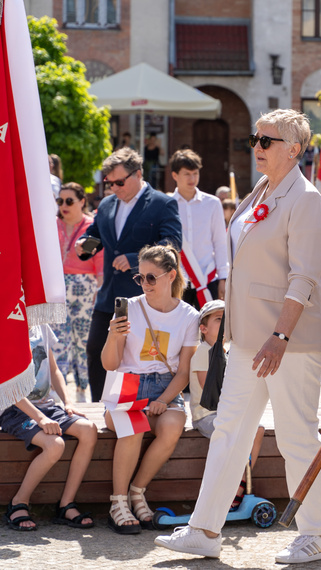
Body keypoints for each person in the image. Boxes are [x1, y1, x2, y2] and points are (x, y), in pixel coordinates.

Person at [155, 109, 321, 564]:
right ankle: (205, 528)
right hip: (249, 338)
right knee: (229, 430)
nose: (257, 145)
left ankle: (318, 534)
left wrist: (280, 334)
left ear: (294, 149)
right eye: (255, 137)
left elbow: (305, 277)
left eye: (267, 140)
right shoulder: (262, 189)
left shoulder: (306, 198)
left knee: (297, 436)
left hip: (286, 339)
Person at [101, 244, 198, 534]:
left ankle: (137, 491)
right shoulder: (129, 307)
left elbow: (184, 373)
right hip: (127, 383)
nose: (144, 284)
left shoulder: (189, 316)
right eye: (140, 278)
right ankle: (117, 502)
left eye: (151, 278)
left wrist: (164, 400)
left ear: (171, 276)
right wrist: (112, 336)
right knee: (134, 425)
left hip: (165, 388)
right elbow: (110, 364)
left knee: (172, 426)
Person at [76, 148, 182, 402]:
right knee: (96, 351)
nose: (114, 188)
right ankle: (100, 408)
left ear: (138, 174)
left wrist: (136, 260)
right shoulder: (106, 204)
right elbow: (96, 235)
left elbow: (172, 244)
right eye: (109, 183)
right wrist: (84, 244)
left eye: (119, 182)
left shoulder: (161, 203)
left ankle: (138, 409)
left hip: (144, 296)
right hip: (110, 296)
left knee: (136, 358)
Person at [1, 325, 97, 531]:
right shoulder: (6, 325)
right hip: (15, 410)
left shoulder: (41, 327)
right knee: (55, 445)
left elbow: (53, 370)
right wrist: (41, 418)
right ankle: (19, 502)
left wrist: (68, 402)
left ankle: (66, 504)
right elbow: (7, 382)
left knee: (89, 430)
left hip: (47, 407)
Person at [189, 300, 265, 509]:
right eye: (219, 319)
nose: (224, 324)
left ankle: (239, 483)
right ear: (203, 329)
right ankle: (230, 487)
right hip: (207, 415)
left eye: (227, 320)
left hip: (226, 413)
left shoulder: (228, 353)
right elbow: (211, 391)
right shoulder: (204, 352)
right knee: (237, 432)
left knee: (257, 429)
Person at [55, 182, 103, 395]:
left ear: (82, 202)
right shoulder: (52, 225)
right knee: (58, 337)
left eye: (69, 201)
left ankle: (84, 385)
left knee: (83, 339)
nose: (64, 205)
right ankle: (59, 388)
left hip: (85, 287)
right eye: (60, 201)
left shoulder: (91, 227)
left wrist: (100, 290)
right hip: (56, 287)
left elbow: (99, 261)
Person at [169, 149, 229, 310]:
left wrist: (223, 277)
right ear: (175, 175)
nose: (192, 178)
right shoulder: (166, 204)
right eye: (187, 174)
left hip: (208, 277)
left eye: (195, 173)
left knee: (211, 331)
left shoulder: (213, 203)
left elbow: (220, 242)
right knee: (179, 332)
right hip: (176, 280)